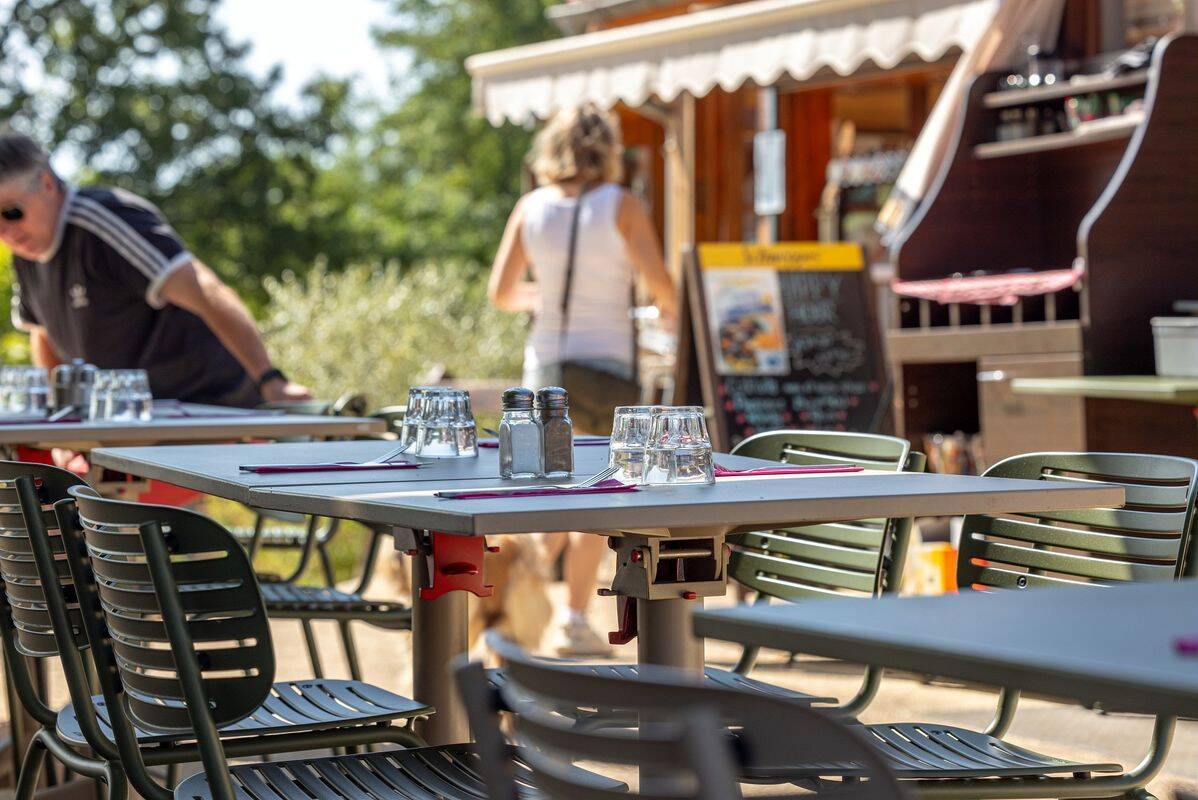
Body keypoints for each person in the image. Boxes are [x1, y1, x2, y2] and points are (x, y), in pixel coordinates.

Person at [488, 104, 675, 656]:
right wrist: (665, 311)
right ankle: (571, 619)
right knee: (594, 497)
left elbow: (500, 293)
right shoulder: (622, 206)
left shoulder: (530, 207)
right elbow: (661, 286)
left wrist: (544, 298)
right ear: (608, 151)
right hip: (609, 368)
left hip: (544, 369)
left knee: (546, 490)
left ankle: (515, 592)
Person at [0, 132, 309, 406]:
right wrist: (61, 413)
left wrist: (271, 381)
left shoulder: (104, 220)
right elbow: (43, 334)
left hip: (209, 406)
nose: (4, 231)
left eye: (11, 212)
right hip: (131, 422)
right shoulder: (26, 253)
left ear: (48, 184)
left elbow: (205, 289)